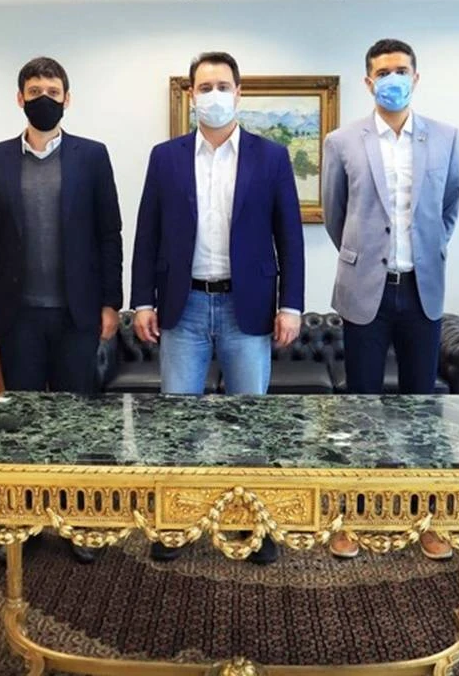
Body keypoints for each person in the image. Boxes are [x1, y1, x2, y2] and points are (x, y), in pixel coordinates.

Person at [130, 51, 305, 564]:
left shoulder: (271, 157)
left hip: (246, 307)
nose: (214, 95)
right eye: (204, 87)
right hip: (182, 306)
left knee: (250, 422)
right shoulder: (165, 157)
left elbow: (290, 237)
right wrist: (142, 300)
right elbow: (147, 233)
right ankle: (177, 524)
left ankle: (253, 525)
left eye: (222, 86)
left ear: (239, 93)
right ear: (191, 95)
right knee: (177, 425)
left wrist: (292, 305)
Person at [0, 56, 123, 564]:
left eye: (52, 91)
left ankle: (79, 521)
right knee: (23, 422)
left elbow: (109, 233)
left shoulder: (92, 156)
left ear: (67, 99)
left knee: (77, 420)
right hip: (18, 315)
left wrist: (110, 302)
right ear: (19, 98)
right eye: (34, 90)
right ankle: (25, 519)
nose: (43, 98)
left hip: (77, 313)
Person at [321, 38, 459, 560]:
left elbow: (450, 204)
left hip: (422, 290)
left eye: (401, 70)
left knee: (421, 409)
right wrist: (364, 257)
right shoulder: (342, 141)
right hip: (366, 292)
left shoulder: (446, 137)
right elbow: (335, 215)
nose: (392, 79)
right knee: (361, 407)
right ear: (368, 81)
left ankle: (424, 518)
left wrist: (429, 250)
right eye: (383, 72)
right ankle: (355, 517)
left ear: (416, 77)